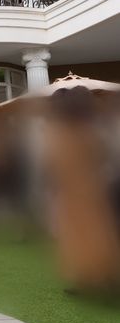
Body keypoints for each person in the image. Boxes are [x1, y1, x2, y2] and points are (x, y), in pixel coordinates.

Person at [44, 87, 120, 293]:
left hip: (75, 187)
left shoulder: (65, 131)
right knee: (98, 230)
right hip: (90, 185)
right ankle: (98, 277)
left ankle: (91, 277)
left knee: (81, 233)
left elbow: (55, 162)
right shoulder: (91, 128)